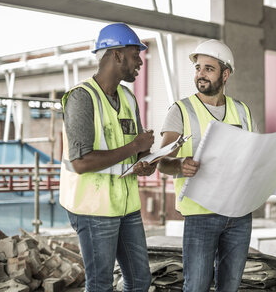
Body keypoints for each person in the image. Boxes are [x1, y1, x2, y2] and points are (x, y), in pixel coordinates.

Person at [60, 23, 156, 292]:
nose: (140, 61)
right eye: (135, 53)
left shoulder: (127, 97)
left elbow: (135, 149)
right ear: (116, 55)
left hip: (126, 206)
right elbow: (81, 163)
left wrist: (146, 158)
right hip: (93, 209)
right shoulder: (81, 98)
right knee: (101, 284)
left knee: (140, 281)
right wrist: (134, 146)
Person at [157, 39, 256, 292]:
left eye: (208, 69)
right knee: (197, 286)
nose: (200, 74)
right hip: (201, 213)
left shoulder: (242, 111)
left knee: (230, 286)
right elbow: (162, 162)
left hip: (238, 212)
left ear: (225, 74)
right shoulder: (181, 110)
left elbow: (252, 155)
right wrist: (179, 165)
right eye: (198, 68)